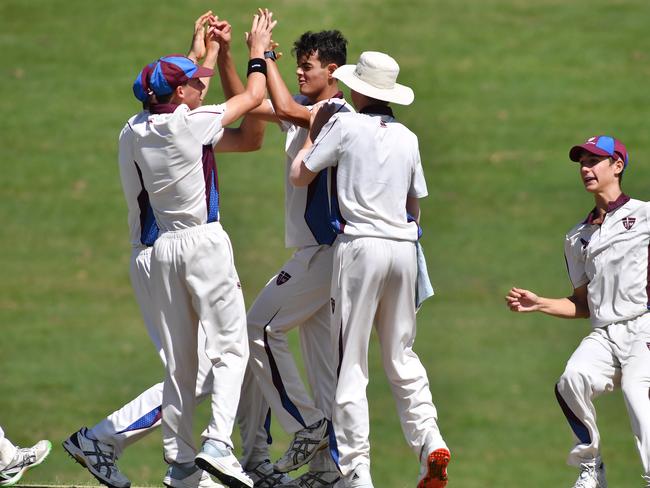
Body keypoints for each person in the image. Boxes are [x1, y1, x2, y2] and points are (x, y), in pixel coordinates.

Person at [62, 12, 271, 488]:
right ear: (180, 95)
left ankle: (179, 463)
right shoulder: (191, 124)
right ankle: (218, 445)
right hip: (193, 244)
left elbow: (171, 91)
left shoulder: (132, 129)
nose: (202, 87)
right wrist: (257, 50)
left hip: (162, 252)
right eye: (195, 83)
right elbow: (254, 98)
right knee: (231, 350)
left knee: (183, 366)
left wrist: (206, 52)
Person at [289, 51, 450, 488]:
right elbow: (414, 207)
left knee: (350, 364)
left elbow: (300, 175)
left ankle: (357, 470)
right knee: (401, 353)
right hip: (403, 248)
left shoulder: (344, 124)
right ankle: (430, 439)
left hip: (359, 246)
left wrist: (311, 134)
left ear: (358, 90)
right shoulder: (409, 137)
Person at [216, 18, 351, 487]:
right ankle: (328, 470)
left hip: (325, 251)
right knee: (321, 365)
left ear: (332, 71)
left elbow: (286, 105)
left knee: (257, 329)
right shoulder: (304, 108)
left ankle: (306, 426)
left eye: (307, 67)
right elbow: (253, 106)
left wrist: (263, 57)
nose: (299, 72)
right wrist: (233, 59)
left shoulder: (335, 111)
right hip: (318, 253)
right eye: (293, 66)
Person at [506, 135, 650, 488]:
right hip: (604, 332)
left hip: (643, 327)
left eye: (594, 161)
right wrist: (539, 303)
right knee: (571, 380)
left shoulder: (645, 214)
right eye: (582, 163)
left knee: (636, 393)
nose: (586, 168)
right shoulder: (577, 237)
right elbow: (582, 304)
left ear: (617, 165)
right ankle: (591, 467)